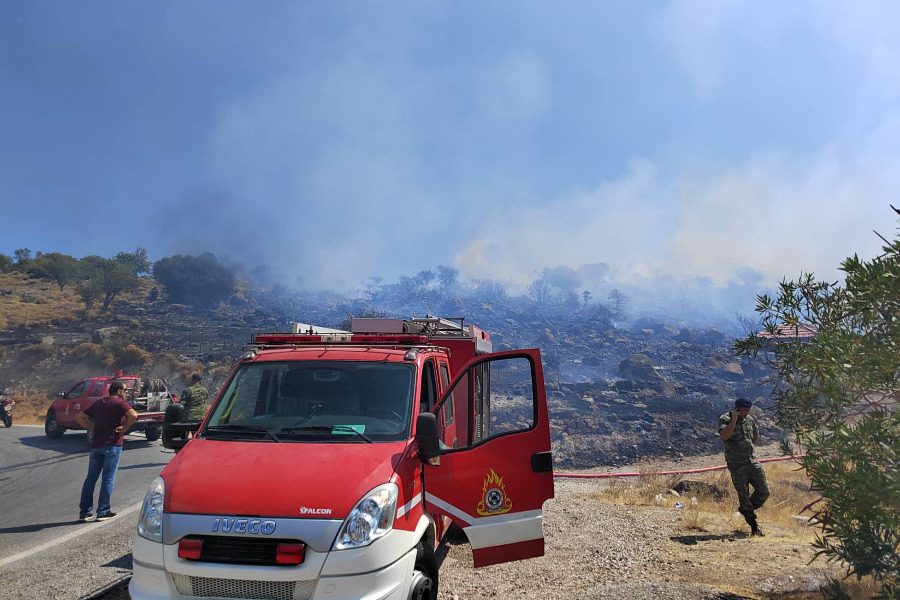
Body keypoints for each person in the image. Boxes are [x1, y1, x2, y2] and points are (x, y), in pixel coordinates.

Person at [76, 381, 138, 522]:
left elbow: (79, 417)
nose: (126, 393)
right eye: (125, 390)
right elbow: (133, 416)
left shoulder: (99, 403)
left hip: (96, 445)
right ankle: (103, 511)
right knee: (108, 478)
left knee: (91, 478)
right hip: (112, 445)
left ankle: (85, 512)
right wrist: (124, 429)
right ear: (119, 391)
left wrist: (91, 427)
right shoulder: (119, 403)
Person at [718, 397, 770, 536]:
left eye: (748, 410)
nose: (746, 412)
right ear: (737, 409)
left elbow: (754, 437)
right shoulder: (725, 419)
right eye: (743, 410)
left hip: (752, 461)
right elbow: (724, 435)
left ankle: (745, 510)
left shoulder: (750, 420)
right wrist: (734, 420)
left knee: (764, 491)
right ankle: (754, 526)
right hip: (737, 465)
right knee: (744, 495)